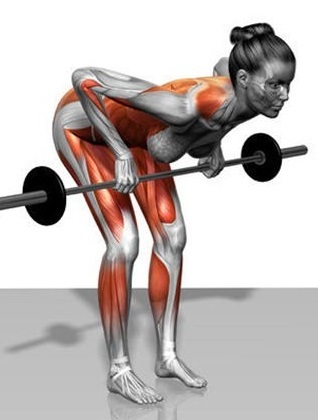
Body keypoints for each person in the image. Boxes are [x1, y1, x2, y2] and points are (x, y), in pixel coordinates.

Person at [52, 23, 295, 404]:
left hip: (143, 139)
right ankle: (119, 371)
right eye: (275, 85)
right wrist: (118, 153)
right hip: (87, 127)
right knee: (124, 242)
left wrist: (213, 144)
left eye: (287, 84)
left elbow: (220, 68)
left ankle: (165, 357)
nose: (285, 95)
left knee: (173, 237)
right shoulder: (185, 104)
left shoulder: (243, 91)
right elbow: (84, 80)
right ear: (245, 79)